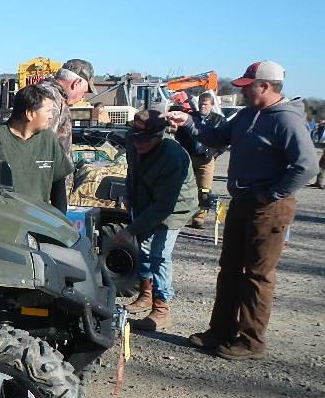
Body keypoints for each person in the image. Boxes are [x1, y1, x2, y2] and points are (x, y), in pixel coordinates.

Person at [166, 60, 317, 360]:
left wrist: (272, 193)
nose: (243, 93)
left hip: (269, 208)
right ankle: (220, 331)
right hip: (243, 203)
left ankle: (250, 341)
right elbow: (215, 137)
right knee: (230, 269)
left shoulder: (286, 120)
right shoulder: (248, 115)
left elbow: (307, 166)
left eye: (248, 87)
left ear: (265, 86)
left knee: (257, 275)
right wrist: (189, 122)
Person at [117, 109, 198, 331]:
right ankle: (146, 293)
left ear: (159, 136)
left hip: (174, 207)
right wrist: (130, 198)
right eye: (135, 139)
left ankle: (162, 308)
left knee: (159, 254)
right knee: (143, 249)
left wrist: (131, 229)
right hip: (147, 201)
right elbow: (132, 173)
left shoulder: (173, 155)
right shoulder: (133, 142)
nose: (137, 145)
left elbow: (165, 206)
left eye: (144, 141)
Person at [0, 84, 72, 211]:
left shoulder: (49, 139)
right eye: (48, 111)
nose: (51, 116)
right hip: (6, 220)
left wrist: (60, 223)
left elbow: (58, 186)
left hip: (38, 222)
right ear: (29, 114)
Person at [35, 58, 98, 157]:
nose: (82, 97)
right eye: (84, 91)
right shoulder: (50, 98)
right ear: (76, 83)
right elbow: (42, 151)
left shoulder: (53, 96)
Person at [185, 91, 226, 228]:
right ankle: (185, 215)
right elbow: (181, 136)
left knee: (204, 190)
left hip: (206, 160)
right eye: (201, 104)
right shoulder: (191, 118)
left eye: (206, 104)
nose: (202, 107)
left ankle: (199, 218)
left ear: (212, 106)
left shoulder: (219, 120)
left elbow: (224, 141)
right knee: (186, 188)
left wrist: (214, 155)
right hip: (190, 158)